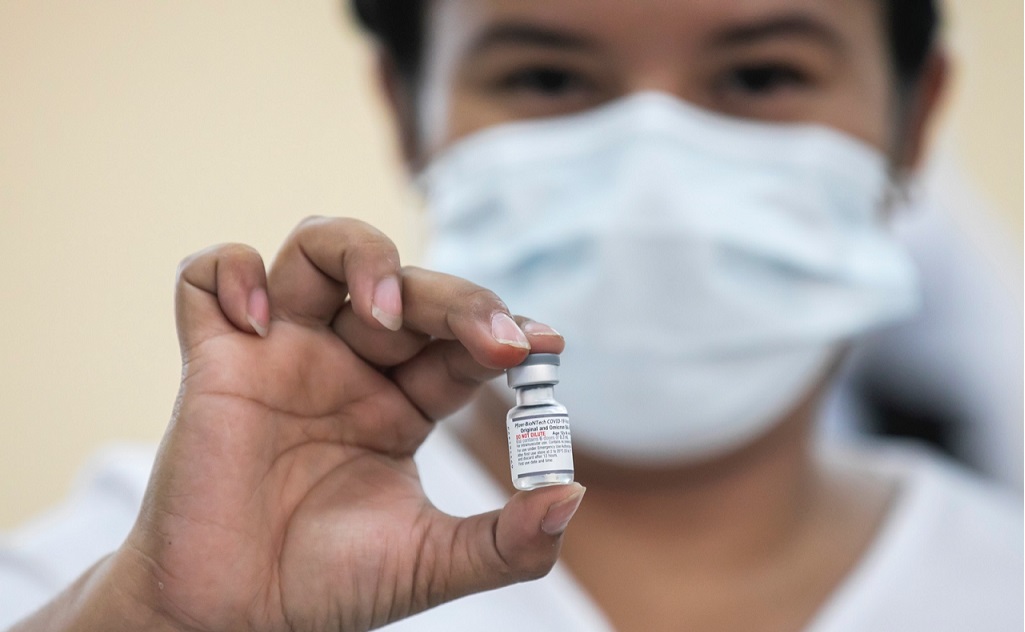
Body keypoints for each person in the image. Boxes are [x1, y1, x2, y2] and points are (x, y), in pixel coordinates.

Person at [3, 1, 1022, 631]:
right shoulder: (152, 555)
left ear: (914, 117)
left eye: (761, 75)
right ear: (406, 112)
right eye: (545, 76)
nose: (651, 185)